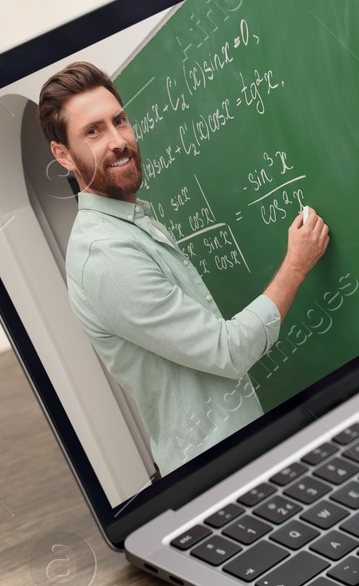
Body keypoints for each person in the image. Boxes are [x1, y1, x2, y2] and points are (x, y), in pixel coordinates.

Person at [42, 62, 331, 473]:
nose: (118, 141)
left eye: (119, 121)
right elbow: (227, 351)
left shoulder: (133, 223)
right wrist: (296, 266)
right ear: (63, 155)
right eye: (93, 131)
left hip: (239, 452)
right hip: (216, 475)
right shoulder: (106, 256)